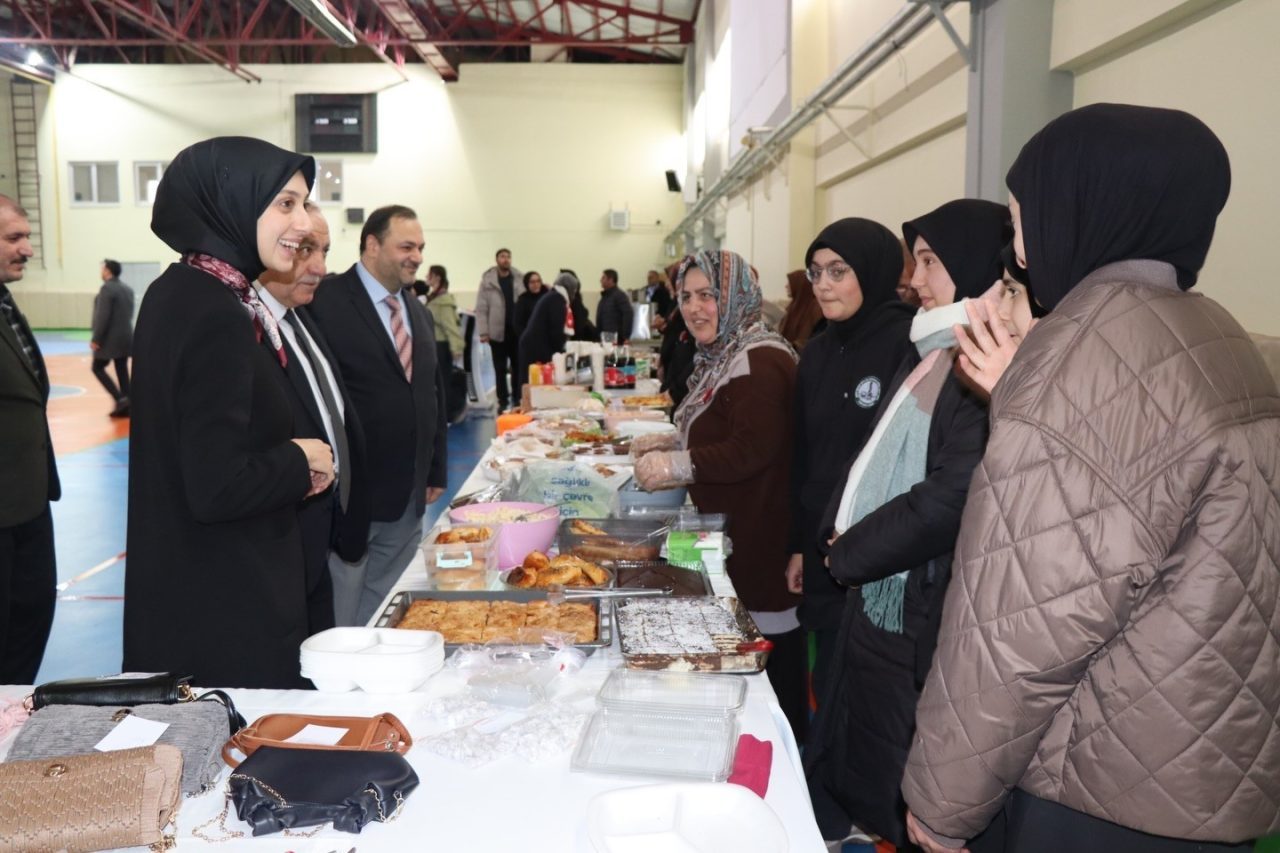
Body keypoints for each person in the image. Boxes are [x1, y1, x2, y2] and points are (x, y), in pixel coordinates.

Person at [903, 104, 1280, 853]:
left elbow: (1024, 626)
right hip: (1208, 769)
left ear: (1083, 211)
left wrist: (943, 802)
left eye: (1022, 220)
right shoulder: (1219, 337)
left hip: (1102, 783)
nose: (1019, 251)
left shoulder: (1086, 356)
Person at [805, 199, 1009, 849]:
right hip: (883, 586)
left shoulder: (984, 367)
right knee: (862, 742)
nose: (914, 279)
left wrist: (850, 551)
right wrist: (835, 533)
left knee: (904, 764)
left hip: (920, 597)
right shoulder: (932, 349)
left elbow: (948, 496)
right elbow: (868, 456)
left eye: (928, 262)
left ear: (973, 266)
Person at [123, 137, 333, 689]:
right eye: (285, 204)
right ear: (232, 201)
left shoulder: (183, 292)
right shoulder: (214, 311)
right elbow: (216, 485)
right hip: (227, 608)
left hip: (195, 594)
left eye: (303, 204)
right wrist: (299, 460)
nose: (304, 223)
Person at [633, 250, 805, 738]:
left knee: (771, 677)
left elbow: (753, 448)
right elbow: (723, 427)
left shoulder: (759, 359)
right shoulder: (724, 354)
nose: (694, 307)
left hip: (760, 537)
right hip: (735, 533)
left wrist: (677, 464)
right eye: (686, 296)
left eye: (708, 295)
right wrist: (672, 440)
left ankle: (785, 757)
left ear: (735, 296)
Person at [784, 218, 916, 715]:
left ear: (872, 271)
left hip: (882, 555)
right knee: (827, 680)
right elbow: (804, 456)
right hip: (823, 549)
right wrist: (797, 545)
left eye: (838, 271)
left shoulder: (908, 343)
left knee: (871, 696)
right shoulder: (817, 351)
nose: (822, 284)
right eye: (816, 272)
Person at [308, 205, 448, 627]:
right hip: (350, 493)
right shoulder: (324, 302)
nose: (417, 257)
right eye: (406, 247)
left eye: (420, 248)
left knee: (390, 605)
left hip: (407, 494)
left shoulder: (417, 312)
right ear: (372, 244)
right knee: (342, 608)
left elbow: (431, 393)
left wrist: (435, 469)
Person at [255, 204, 368, 636]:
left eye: (324, 251)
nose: (319, 268)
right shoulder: (249, 330)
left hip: (324, 538)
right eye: (305, 250)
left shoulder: (301, 319)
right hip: (283, 548)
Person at [0, 194, 59, 684]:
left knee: (30, 619)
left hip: (29, 502)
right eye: (13, 238)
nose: (27, 249)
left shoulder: (5, 301)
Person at [474, 248, 524, 411]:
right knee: (499, 368)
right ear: (497, 260)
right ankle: (502, 400)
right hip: (497, 332)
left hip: (516, 332)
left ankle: (517, 397)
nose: (506, 259)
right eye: (502, 256)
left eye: (508, 256)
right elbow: (481, 308)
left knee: (517, 366)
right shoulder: (488, 282)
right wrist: (483, 332)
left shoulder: (519, 278)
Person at [90, 259, 134, 417]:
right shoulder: (127, 289)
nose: (101, 272)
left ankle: (120, 399)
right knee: (121, 368)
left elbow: (103, 316)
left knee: (97, 367)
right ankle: (128, 403)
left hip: (110, 338)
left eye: (103, 269)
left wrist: (96, 339)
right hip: (126, 336)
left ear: (108, 271)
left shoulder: (107, 288)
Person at [519, 270, 577, 371]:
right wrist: (561, 351)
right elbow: (556, 330)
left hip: (534, 346)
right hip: (536, 349)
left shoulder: (552, 296)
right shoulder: (557, 300)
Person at [777, 268, 825, 351]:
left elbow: (818, 339)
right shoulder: (794, 306)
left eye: (790, 283)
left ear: (800, 284)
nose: (786, 286)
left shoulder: (817, 308)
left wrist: (793, 346)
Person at [425, 264, 464, 363]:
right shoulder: (434, 298)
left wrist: (456, 348)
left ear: (437, 278)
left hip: (441, 345)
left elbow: (450, 326)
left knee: (442, 373)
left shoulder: (443, 302)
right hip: (434, 343)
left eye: (429, 274)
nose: (426, 276)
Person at [595, 268, 633, 343]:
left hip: (614, 335)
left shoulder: (619, 296)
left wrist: (626, 336)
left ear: (611, 280)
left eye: (603, 278)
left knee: (611, 350)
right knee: (607, 349)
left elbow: (628, 314)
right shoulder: (605, 296)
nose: (600, 280)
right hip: (605, 334)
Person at [513, 270, 545, 342]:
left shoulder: (546, 296)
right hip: (529, 339)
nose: (536, 284)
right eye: (532, 282)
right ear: (527, 284)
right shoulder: (522, 300)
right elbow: (517, 324)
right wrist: (527, 338)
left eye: (538, 281)